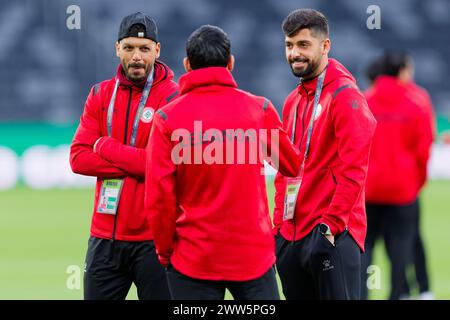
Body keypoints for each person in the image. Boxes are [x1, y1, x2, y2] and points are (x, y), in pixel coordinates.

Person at [145, 25, 302, 300]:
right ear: (231, 63)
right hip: (253, 257)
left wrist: (165, 251)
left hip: (193, 259)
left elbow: (159, 198)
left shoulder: (167, 119)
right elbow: (290, 165)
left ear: (187, 65)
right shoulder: (260, 109)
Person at [70, 12, 179, 300]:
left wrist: (105, 146)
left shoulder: (174, 98)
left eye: (144, 49)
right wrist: (140, 161)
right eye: (129, 47)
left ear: (157, 50)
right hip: (104, 238)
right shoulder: (100, 94)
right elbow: (78, 159)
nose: (136, 57)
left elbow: (164, 165)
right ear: (117, 48)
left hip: (155, 240)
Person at [273, 9, 377, 300]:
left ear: (325, 46)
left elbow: (354, 170)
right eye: (289, 45)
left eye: (303, 45)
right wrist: (278, 227)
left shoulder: (347, 97)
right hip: (292, 236)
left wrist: (330, 226)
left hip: (332, 234)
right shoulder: (292, 100)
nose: (295, 53)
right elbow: (286, 170)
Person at [361, 52, 434, 300]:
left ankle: (361, 294)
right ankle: (399, 295)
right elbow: (423, 151)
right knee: (401, 247)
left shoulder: (363, 100)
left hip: (368, 189)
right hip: (403, 189)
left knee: (365, 247)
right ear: (402, 70)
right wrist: (416, 183)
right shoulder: (418, 102)